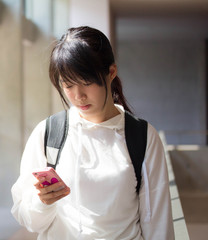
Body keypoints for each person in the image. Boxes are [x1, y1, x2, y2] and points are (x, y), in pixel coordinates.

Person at [11, 26, 174, 240]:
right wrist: (42, 202)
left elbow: (157, 221)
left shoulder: (142, 137)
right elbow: (29, 220)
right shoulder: (48, 133)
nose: (78, 95)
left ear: (111, 73)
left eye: (86, 83)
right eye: (68, 85)